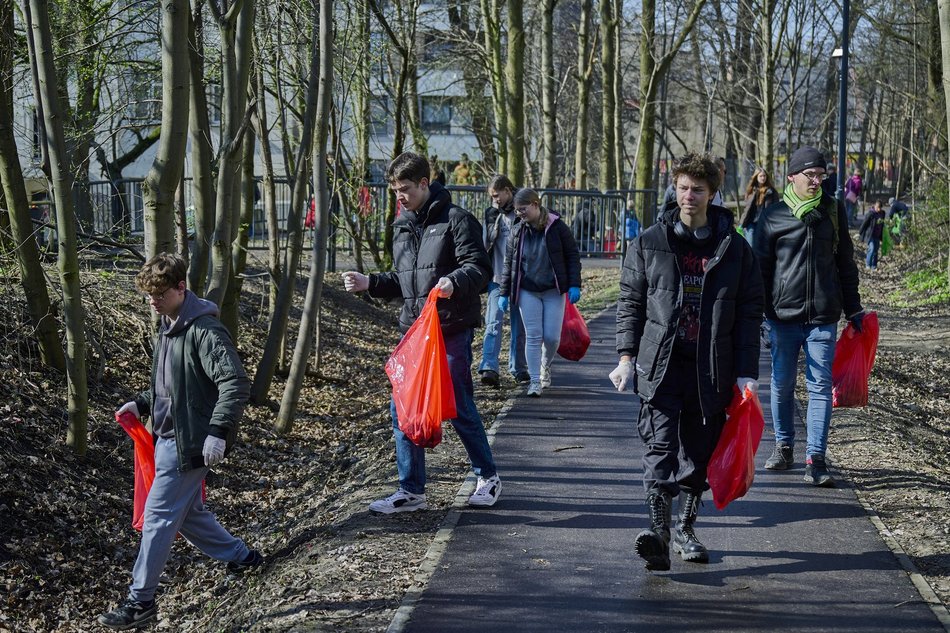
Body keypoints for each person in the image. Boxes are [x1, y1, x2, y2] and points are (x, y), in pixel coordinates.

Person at [610, 151, 764, 571]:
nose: (688, 196)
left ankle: (685, 528)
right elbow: (631, 303)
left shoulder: (735, 249)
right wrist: (626, 356)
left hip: (711, 368)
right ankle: (658, 533)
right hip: (660, 365)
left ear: (713, 193)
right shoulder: (648, 242)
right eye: (682, 187)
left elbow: (751, 311)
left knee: (699, 453)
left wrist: (747, 373)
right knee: (659, 448)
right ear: (673, 188)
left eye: (697, 189)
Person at [98, 253, 261, 630]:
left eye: (160, 294)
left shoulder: (205, 331)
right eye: (149, 296)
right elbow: (171, 386)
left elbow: (235, 383)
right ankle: (243, 557)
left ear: (181, 287)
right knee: (188, 516)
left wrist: (218, 433)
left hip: (191, 443)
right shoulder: (168, 325)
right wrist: (141, 402)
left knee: (158, 518)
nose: (153, 301)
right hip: (168, 436)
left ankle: (140, 603)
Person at [341, 152, 501, 513]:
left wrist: (453, 282)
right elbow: (405, 280)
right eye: (395, 190)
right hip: (414, 332)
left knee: (457, 404)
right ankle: (411, 490)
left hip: (450, 328)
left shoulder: (458, 220)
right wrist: (371, 282)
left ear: (425, 183)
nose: (400, 196)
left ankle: (487, 477)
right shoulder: (401, 225)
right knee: (403, 408)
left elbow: (480, 268)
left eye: (406, 189)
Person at [753, 146, 864, 488]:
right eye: (810, 175)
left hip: (823, 316)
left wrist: (854, 308)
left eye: (821, 175)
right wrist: (757, 314)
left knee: (819, 387)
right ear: (792, 178)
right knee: (782, 385)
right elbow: (759, 271)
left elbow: (845, 261)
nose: (817, 181)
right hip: (782, 318)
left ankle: (816, 458)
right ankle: (784, 445)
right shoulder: (772, 216)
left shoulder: (833, 211)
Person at [499, 188, 581, 397]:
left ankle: (546, 364)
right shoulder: (518, 231)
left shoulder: (558, 227)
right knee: (534, 336)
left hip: (553, 290)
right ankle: (535, 381)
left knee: (552, 337)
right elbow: (510, 263)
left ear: (535, 205)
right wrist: (503, 291)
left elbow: (572, 255)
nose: (520, 214)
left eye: (523, 209)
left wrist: (574, 284)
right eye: (517, 211)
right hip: (528, 290)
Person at [479, 174, 529, 386]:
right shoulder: (492, 214)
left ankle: (518, 367)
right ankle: (489, 366)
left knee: (520, 326)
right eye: (492, 197)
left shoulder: (524, 211)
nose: (495, 200)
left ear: (508, 190)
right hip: (498, 277)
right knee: (493, 322)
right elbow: (485, 243)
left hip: (521, 279)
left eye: (497, 195)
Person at [739, 168, 779, 246]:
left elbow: (776, 208)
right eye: (760, 176)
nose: (763, 178)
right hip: (751, 223)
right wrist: (742, 222)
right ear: (756, 177)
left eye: (764, 176)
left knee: (763, 247)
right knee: (750, 245)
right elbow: (747, 209)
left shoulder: (772, 191)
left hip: (765, 223)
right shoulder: (751, 190)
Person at [859, 199, 886, 270]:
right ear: (875, 206)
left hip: (877, 235)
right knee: (872, 248)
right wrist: (860, 233)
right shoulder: (871, 214)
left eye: (880, 208)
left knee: (876, 250)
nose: (879, 209)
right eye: (878, 208)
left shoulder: (882, 213)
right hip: (870, 235)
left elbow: (882, 224)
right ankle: (868, 264)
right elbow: (864, 223)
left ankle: (874, 266)